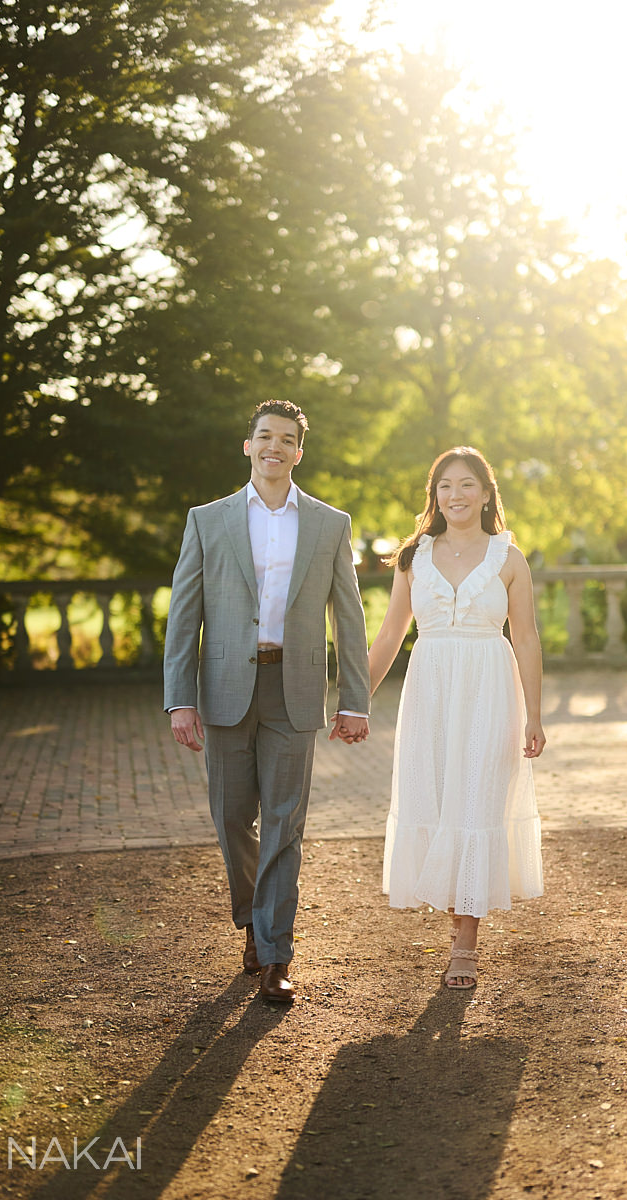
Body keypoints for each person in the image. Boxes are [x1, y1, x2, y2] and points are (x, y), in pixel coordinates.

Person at [163, 400, 370, 1003]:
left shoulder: (331, 524)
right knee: (232, 820)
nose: (274, 446)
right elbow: (184, 615)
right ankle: (252, 919)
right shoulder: (209, 519)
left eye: (286, 439)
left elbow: (349, 619)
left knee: (285, 822)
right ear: (248, 446)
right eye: (264, 436)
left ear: (298, 452)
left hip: (294, 690)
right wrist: (180, 698)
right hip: (225, 690)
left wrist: (353, 699)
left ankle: (276, 950)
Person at [368, 447, 545, 989]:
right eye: (445, 486)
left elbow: (527, 636)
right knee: (441, 799)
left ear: (486, 493)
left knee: (476, 799)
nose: (456, 495)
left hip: (491, 689)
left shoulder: (508, 558)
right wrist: (355, 700)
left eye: (467, 484)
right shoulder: (413, 558)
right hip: (430, 692)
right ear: (435, 495)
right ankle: (454, 920)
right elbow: (392, 634)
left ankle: (464, 943)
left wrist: (534, 714)